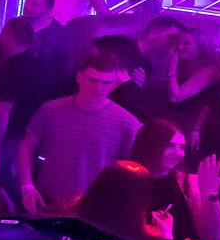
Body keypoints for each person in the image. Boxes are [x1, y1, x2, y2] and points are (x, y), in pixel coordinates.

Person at [18, 53, 140, 214]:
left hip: (94, 205)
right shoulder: (51, 110)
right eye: (93, 80)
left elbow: (131, 168)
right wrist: (27, 185)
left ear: (114, 84)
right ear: (79, 77)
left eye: (106, 83)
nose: (99, 87)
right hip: (47, 198)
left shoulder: (126, 122)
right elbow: (27, 145)